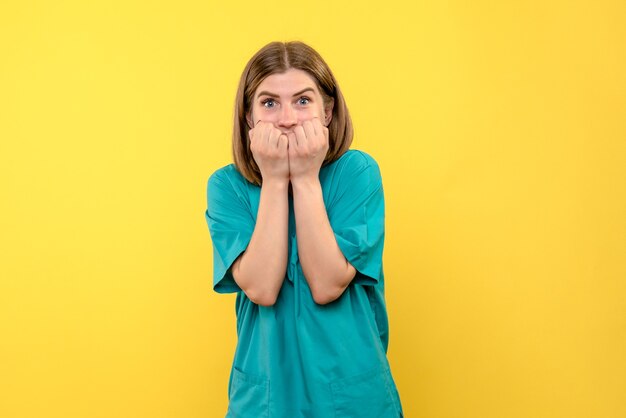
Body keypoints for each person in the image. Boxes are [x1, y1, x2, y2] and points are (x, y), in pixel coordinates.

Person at [204, 40, 404, 418]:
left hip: (352, 397)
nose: (287, 118)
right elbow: (262, 287)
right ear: (248, 117)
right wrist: (276, 179)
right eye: (268, 103)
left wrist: (307, 178)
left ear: (327, 111)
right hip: (265, 400)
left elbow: (328, 284)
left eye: (302, 101)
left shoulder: (356, 173)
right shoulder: (226, 187)